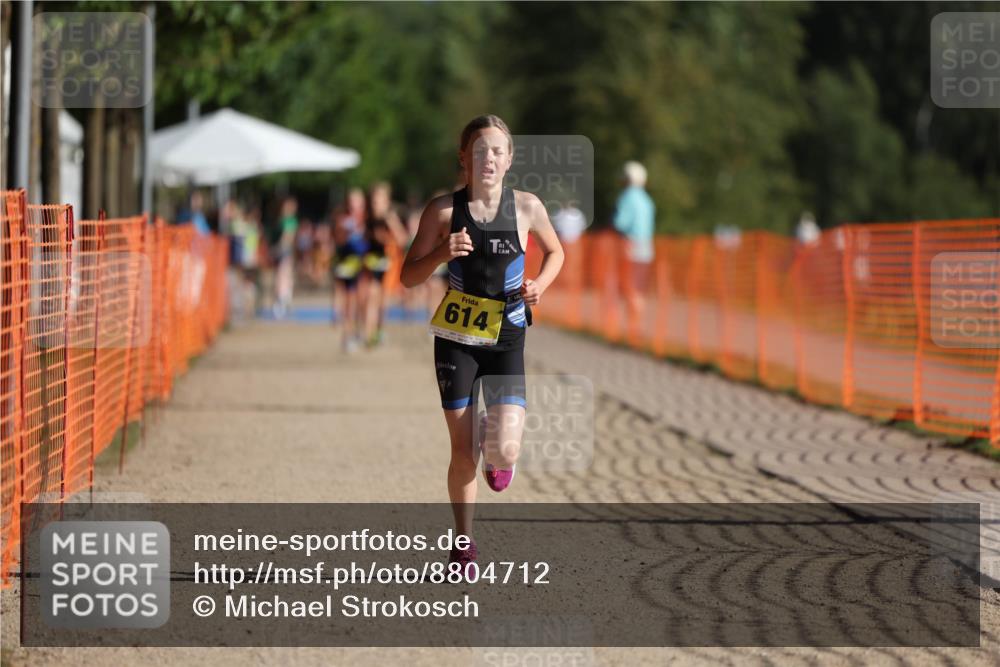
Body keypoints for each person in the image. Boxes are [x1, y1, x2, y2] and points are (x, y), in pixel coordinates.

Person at [400, 115, 564, 572]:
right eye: (479, 151)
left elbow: (556, 252)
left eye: (496, 151)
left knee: (505, 451)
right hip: (457, 340)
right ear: (464, 158)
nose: (488, 159)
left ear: (509, 159)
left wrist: (540, 285)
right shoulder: (442, 212)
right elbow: (408, 277)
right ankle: (463, 545)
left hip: (507, 337)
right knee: (462, 452)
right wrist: (441, 253)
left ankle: (496, 440)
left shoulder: (527, 207)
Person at [613, 161, 655, 342]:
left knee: (629, 288)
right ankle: (636, 328)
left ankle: (632, 329)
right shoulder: (647, 199)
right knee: (639, 289)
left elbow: (620, 223)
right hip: (646, 248)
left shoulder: (627, 197)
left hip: (629, 248)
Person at [362, 182, 408, 346]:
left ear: (386, 201)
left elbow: (403, 239)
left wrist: (389, 231)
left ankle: (379, 331)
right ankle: (368, 333)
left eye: (379, 200)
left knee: (383, 300)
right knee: (371, 296)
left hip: (389, 263)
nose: (376, 203)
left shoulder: (390, 218)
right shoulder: (368, 218)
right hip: (372, 261)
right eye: (374, 200)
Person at [331, 188, 368, 352]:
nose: (354, 204)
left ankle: (360, 330)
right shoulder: (342, 219)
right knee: (349, 301)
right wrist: (344, 231)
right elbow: (338, 241)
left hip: (365, 264)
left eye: (357, 200)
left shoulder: (367, 218)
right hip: (348, 263)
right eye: (352, 200)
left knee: (363, 300)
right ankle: (347, 336)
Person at [273, 196, 299, 319]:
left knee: (283, 275)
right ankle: (283, 301)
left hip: (285, 250)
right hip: (284, 250)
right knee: (283, 276)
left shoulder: (289, 221)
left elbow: (288, 237)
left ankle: (283, 301)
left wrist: (280, 248)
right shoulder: (283, 220)